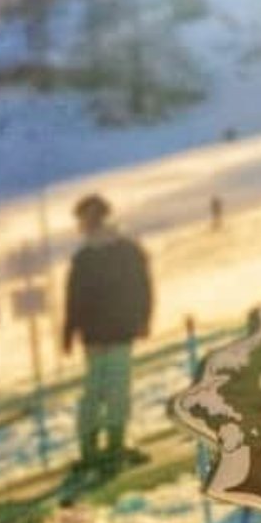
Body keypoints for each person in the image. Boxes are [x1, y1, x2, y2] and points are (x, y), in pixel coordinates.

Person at [62, 194, 153, 477]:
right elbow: (74, 298)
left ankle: (101, 447)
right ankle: (104, 446)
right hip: (109, 334)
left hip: (107, 335)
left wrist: (69, 331)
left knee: (103, 393)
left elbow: (141, 288)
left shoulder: (96, 255)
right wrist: (69, 329)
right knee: (107, 392)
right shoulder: (111, 252)